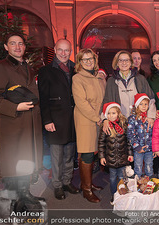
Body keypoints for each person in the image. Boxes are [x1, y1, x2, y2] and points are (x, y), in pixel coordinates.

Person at [0, 33, 43, 203]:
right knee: (14, 163)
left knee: (26, 159)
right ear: (6, 47)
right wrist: (15, 107)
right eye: (13, 43)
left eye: (20, 44)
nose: (17, 47)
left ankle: (24, 193)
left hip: (30, 123)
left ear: (25, 46)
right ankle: (16, 200)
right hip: (14, 123)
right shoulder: (0, 67)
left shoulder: (27, 66)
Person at [38, 39, 79, 200]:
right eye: (60, 50)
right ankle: (57, 185)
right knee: (57, 157)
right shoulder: (46, 71)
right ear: (55, 50)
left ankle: (67, 181)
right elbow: (43, 97)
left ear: (71, 52)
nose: (63, 53)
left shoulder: (75, 68)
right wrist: (47, 120)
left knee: (70, 155)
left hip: (72, 120)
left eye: (67, 50)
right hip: (55, 120)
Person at [72, 48, 104, 203]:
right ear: (80, 62)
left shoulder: (99, 77)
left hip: (99, 119)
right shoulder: (77, 78)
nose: (89, 61)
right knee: (87, 154)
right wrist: (96, 117)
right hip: (86, 120)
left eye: (91, 58)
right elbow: (81, 102)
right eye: (85, 59)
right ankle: (86, 190)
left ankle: (90, 183)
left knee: (95, 153)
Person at [103, 50, 156, 120]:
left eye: (127, 60)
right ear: (117, 63)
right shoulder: (111, 81)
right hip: (119, 122)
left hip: (139, 121)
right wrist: (104, 119)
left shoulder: (140, 78)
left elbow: (150, 98)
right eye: (121, 60)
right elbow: (107, 102)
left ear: (131, 62)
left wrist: (151, 117)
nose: (124, 63)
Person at [98, 102, 133, 204]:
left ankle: (122, 194)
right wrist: (102, 157)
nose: (111, 116)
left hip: (123, 158)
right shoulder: (105, 127)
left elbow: (128, 141)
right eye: (108, 113)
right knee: (113, 179)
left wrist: (130, 154)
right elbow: (101, 143)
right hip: (111, 159)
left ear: (118, 113)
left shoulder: (124, 125)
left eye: (113, 113)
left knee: (122, 178)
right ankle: (114, 195)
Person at [127, 93, 154, 177]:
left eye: (146, 104)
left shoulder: (150, 118)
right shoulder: (132, 118)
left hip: (149, 149)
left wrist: (155, 147)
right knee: (138, 168)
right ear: (137, 105)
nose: (143, 106)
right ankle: (137, 184)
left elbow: (154, 134)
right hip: (138, 149)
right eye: (141, 104)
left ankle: (149, 185)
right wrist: (137, 147)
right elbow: (130, 134)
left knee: (149, 168)